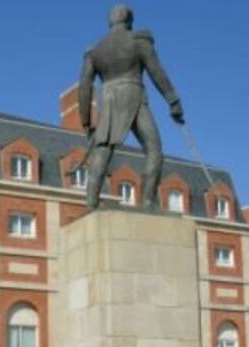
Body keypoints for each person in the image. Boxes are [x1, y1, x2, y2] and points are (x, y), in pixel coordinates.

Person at [78, 4, 184, 210]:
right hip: (133, 95)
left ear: (110, 21)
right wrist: (173, 100)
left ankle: (90, 202)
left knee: (103, 148)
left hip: (108, 99)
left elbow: (84, 86)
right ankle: (148, 202)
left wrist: (86, 122)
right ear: (129, 21)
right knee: (154, 149)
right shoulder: (138, 41)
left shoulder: (95, 50)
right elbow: (156, 72)